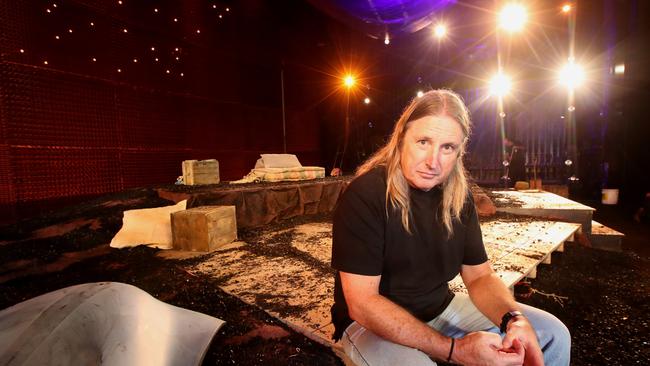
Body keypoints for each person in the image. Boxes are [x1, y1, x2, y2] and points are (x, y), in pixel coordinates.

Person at [330, 89, 570, 365]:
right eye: (423, 142)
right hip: (369, 324)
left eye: (448, 147)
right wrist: (455, 349)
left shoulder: (458, 196)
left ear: (459, 151)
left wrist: (512, 319)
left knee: (552, 334)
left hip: (439, 309)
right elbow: (363, 304)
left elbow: (480, 277)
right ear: (400, 139)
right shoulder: (366, 194)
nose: (433, 162)